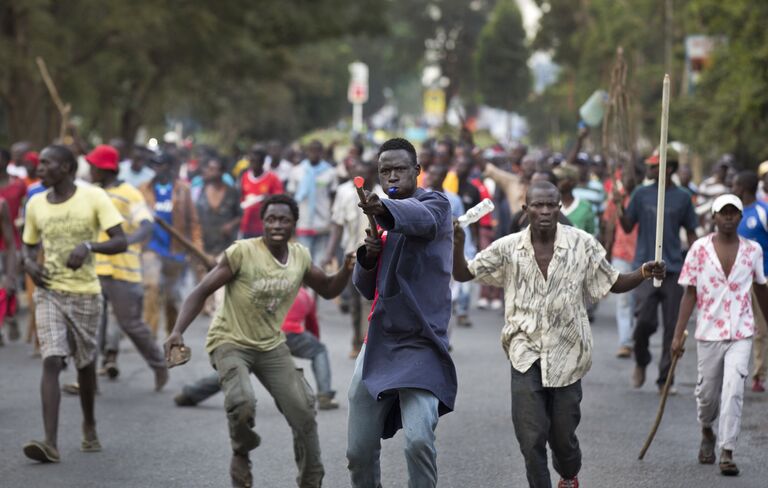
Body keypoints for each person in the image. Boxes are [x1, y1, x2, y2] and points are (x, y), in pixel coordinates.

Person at [452, 180, 665, 488]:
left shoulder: (582, 244)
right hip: (524, 354)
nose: (545, 211)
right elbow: (463, 273)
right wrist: (457, 245)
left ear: (559, 207)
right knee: (531, 436)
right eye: (538, 205)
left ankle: (569, 474)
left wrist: (643, 273)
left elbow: (612, 281)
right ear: (526, 210)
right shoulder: (508, 247)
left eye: (551, 204)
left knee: (562, 437)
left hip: (568, 353)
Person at [164, 194, 353, 487]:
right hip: (229, 341)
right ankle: (241, 452)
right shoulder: (241, 252)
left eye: (284, 220)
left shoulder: (300, 256)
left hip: (271, 345)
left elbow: (328, 289)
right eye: (271, 219)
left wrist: (346, 270)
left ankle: (311, 482)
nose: (277, 225)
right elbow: (200, 291)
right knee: (242, 402)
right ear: (262, 223)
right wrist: (177, 331)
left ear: (294, 225)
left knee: (303, 412)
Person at [346, 138, 457, 488]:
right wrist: (368, 256)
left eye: (399, 169)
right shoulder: (381, 218)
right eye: (385, 171)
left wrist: (384, 211)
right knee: (358, 451)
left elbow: (420, 220)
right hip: (381, 339)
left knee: (419, 440)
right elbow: (366, 288)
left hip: (423, 341)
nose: (392, 176)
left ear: (417, 171)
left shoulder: (435, 204)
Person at [21, 145, 127, 463]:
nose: (39, 168)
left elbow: (120, 239)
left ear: (66, 167)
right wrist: (29, 265)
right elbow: (27, 247)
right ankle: (50, 442)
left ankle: (89, 424)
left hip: (85, 294)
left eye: (46, 162)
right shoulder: (35, 203)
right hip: (50, 292)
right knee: (51, 359)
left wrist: (88, 245)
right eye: (39, 163)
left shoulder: (94, 197)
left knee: (84, 365)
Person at [671, 194, 768, 476]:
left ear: (740, 217)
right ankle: (707, 430)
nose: (728, 217)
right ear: (713, 217)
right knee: (707, 395)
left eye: (733, 213)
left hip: (741, 331)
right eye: (723, 213)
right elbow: (689, 293)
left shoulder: (753, 251)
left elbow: (761, 288)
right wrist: (677, 336)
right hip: (708, 332)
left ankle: (727, 450)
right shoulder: (699, 249)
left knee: (734, 390)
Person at [85, 145, 169, 390]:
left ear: (104, 169)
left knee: (130, 323)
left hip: (123, 269)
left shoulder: (129, 193)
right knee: (89, 323)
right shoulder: (93, 193)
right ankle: (87, 379)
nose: (89, 170)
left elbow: (145, 224)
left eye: (92, 166)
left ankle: (158, 365)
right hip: (95, 267)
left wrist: (125, 242)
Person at [616, 149, 698, 392]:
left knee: (673, 327)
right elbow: (628, 226)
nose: (650, 171)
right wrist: (620, 206)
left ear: (668, 169)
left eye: (654, 167)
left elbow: (692, 231)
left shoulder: (683, 197)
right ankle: (641, 361)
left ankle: (665, 379)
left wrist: (700, 260)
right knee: (643, 322)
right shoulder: (641, 194)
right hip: (644, 268)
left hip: (673, 269)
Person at [322, 160, 384, 358]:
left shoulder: (382, 195)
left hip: (377, 257)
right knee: (355, 303)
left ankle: (368, 346)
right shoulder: (344, 193)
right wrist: (330, 253)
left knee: (370, 301)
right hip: (352, 255)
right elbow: (337, 225)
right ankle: (357, 342)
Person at [139, 152, 202, 339]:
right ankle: (150, 338)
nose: (160, 169)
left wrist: (196, 248)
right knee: (151, 288)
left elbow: (193, 222)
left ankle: (172, 335)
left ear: (171, 167)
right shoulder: (143, 189)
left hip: (175, 252)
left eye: (164, 165)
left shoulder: (183, 190)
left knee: (172, 298)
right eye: (156, 165)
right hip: (151, 248)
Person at [731, 171, 768, 393]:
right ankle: (753, 373)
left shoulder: (763, 212)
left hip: (763, 277)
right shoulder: (732, 215)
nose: (732, 188)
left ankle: (758, 374)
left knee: (761, 327)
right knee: (751, 328)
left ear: (743, 188)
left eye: (735, 185)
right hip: (742, 281)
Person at [602, 168, 639, 358]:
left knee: (638, 302)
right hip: (621, 254)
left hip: (643, 256)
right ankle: (625, 341)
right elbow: (609, 228)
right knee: (624, 300)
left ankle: (636, 338)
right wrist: (605, 258)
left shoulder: (645, 199)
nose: (627, 181)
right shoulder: (616, 201)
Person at [288, 140, 337, 263]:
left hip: (322, 222)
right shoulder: (297, 171)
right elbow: (291, 195)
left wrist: (332, 216)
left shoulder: (330, 172)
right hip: (303, 221)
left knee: (320, 262)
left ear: (322, 153)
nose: (314, 153)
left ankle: (317, 283)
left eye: (317, 151)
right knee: (304, 261)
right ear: (307, 152)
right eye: (311, 151)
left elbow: (333, 196)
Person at [239, 144, 283, 239]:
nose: (253, 163)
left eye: (256, 161)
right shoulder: (245, 177)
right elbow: (241, 199)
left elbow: (281, 198)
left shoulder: (272, 178)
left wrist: (269, 198)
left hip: (265, 226)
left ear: (263, 161)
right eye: (251, 160)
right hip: (247, 226)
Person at [554, 165, 595, 235]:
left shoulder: (585, 207)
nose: (557, 182)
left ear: (572, 182)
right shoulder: (552, 206)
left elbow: (591, 234)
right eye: (556, 179)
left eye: (561, 179)